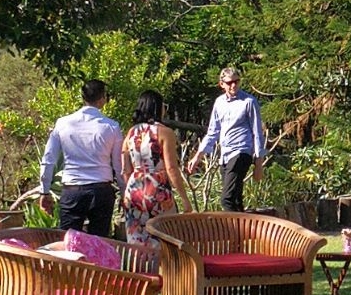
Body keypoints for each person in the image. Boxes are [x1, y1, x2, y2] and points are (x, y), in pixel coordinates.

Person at [38, 79, 123, 237]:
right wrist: (124, 192)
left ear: (83, 97)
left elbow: (49, 158)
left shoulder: (63, 123)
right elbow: (118, 165)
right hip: (101, 190)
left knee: (68, 239)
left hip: (73, 190)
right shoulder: (112, 126)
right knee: (99, 242)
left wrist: (44, 191)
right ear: (103, 98)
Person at [122, 90, 193, 258]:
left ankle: (140, 271)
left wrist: (129, 190)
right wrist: (184, 199)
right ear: (158, 107)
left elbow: (125, 168)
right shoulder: (165, 132)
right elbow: (171, 168)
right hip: (156, 187)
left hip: (134, 188)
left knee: (136, 238)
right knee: (164, 237)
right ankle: (163, 271)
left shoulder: (131, 133)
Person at [187, 67, 265, 212]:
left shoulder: (249, 101)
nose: (233, 85)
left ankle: (229, 226)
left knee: (226, 199)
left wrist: (258, 164)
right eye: (229, 83)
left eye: (236, 81)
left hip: (242, 152)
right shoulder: (219, 103)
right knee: (235, 200)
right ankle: (242, 225)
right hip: (225, 155)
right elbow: (213, 132)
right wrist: (198, 156)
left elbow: (257, 133)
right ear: (222, 84)